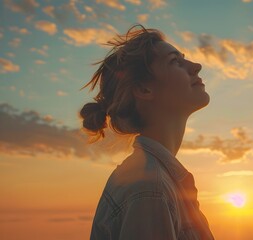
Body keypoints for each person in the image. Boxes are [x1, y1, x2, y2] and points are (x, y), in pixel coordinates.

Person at [79, 24, 215, 240]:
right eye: (175, 62)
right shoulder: (151, 191)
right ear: (144, 90)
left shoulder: (155, 181)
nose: (196, 66)